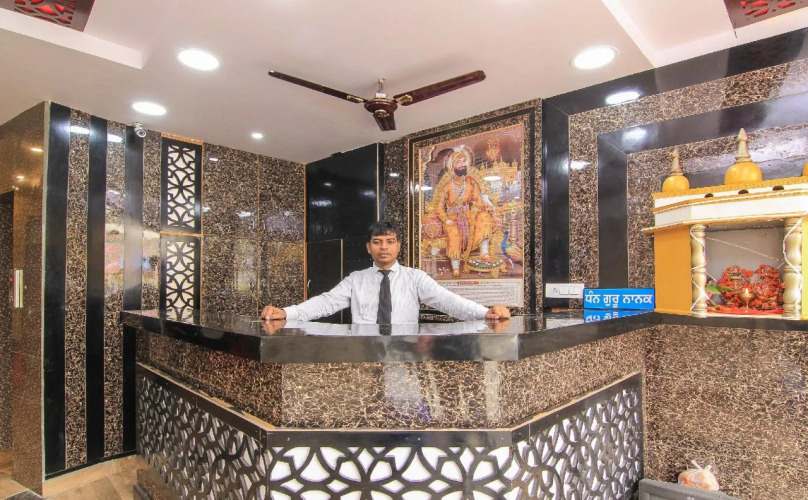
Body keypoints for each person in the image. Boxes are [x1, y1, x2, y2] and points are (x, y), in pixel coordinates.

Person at [261, 221, 510, 324]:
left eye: (390, 242)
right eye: (377, 242)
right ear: (368, 248)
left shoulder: (415, 278)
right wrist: (288, 313)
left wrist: (484, 312)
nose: (384, 247)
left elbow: (447, 301)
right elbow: (327, 302)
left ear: (398, 247)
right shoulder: (356, 280)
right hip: (364, 352)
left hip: (404, 352)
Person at [435, 146, 497, 278]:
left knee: (484, 217)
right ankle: (455, 266)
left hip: (469, 215)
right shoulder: (447, 186)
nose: (462, 164)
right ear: (453, 165)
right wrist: (446, 219)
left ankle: (484, 253)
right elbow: (439, 207)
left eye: (464, 161)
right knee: (453, 233)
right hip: (452, 218)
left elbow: (478, 200)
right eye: (459, 162)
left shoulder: (470, 184)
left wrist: (476, 208)